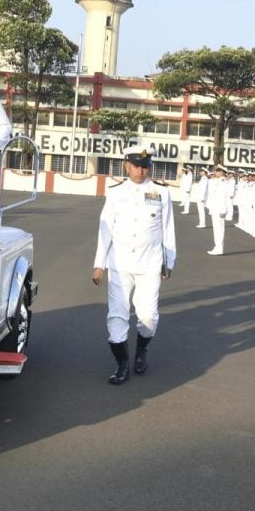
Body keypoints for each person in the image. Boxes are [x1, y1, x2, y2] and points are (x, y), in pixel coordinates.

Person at [92, 145, 176, 384]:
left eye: (145, 166)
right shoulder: (116, 193)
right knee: (117, 315)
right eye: (137, 165)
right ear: (126, 165)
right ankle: (122, 365)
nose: (141, 171)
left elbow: (167, 230)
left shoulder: (161, 193)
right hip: (120, 264)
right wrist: (99, 264)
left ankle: (141, 349)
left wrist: (169, 261)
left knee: (148, 318)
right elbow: (105, 229)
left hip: (150, 264)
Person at [206, 165, 233, 255]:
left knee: (219, 230)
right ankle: (217, 247)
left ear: (222, 172)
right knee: (216, 229)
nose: (215, 172)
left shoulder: (223, 182)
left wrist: (223, 210)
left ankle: (219, 248)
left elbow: (224, 197)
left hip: (220, 209)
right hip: (215, 208)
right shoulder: (218, 181)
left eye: (217, 171)